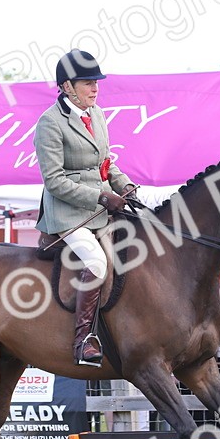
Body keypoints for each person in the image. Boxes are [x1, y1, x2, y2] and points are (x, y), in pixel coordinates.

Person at [34, 49, 138, 367]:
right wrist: (102, 198)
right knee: (96, 262)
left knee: (134, 248)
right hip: (67, 213)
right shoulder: (50, 123)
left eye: (96, 82)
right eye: (87, 83)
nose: (95, 88)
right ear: (67, 87)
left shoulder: (97, 114)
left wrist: (124, 186)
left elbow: (105, 163)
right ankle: (83, 340)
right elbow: (54, 182)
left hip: (102, 206)